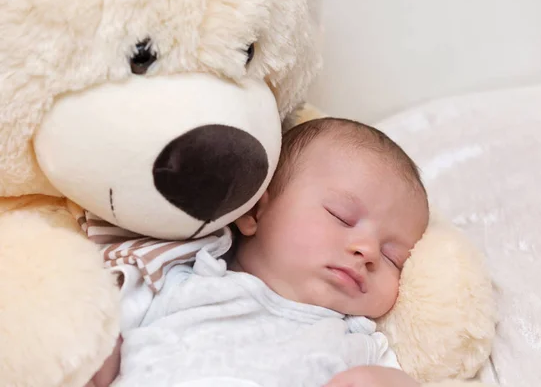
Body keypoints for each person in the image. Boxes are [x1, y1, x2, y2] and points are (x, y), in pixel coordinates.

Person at [91, 117, 429, 387]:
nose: (367, 251)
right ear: (254, 213)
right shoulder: (180, 280)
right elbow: (90, 338)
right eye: (341, 216)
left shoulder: (362, 343)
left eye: (392, 257)